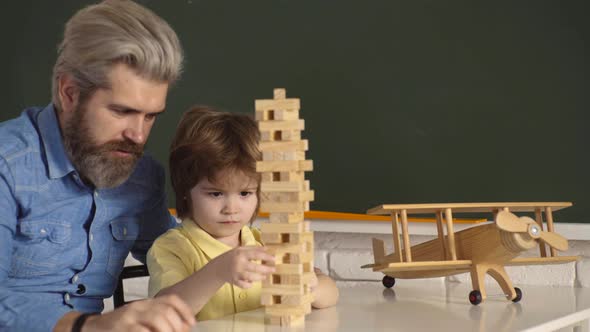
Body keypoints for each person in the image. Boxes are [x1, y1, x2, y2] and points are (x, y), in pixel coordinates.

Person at [0, 1, 195, 331]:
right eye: (122, 111)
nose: (137, 135)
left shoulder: (143, 178)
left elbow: (180, 254)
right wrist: (88, 326)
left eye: (150, 117)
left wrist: (269, 268)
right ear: (70, 93)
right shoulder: (8, 166)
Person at [147, 106, 339, 321]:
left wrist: (310, 286)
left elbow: (330, 291)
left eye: (245, 193)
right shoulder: (172, 248)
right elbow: (162, 311)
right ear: (185, 192)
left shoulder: (264, 243)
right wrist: (218, 271)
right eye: (216, 194)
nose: (232, 208)